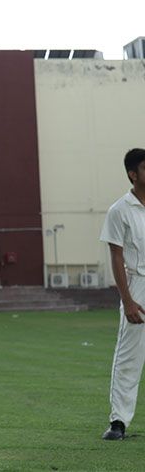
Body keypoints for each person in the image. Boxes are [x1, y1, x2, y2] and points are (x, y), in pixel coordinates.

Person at [100, 148, 145, 441]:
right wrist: (127, 300)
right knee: (129, 357)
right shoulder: (120, 210)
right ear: (133, 174)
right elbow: (116, 256)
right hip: (139, 285)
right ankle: (118, 421)